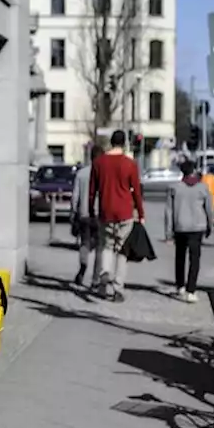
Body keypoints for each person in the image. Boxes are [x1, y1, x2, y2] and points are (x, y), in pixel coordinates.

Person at [87, 129, 145, 302]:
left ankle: (104, 278)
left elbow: (92, 191)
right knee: (121, 250)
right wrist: (140, 214)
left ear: (111, 142)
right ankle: (118, 288)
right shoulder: (130, 164)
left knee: (106, 246)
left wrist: (91, 211)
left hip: (105, 211)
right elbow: (136, 193)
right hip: (125, 213)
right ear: (124, 143)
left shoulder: (99, 163)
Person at [164, 160, 213, 303]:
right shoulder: (203, 188)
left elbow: (168, 211)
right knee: (195, 259)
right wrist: (210, 226)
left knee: (180, 257)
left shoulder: (174, 188)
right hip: (197, 227)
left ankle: (180, 286)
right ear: (193, 171)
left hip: (180, 227)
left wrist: (168, 232)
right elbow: (209, 209)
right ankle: (191, 290)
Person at [70, 144, 106, 287]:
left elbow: (75, 196)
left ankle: (83, 266)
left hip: (84, 214)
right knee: (99, 247)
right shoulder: (104, 174)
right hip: (99, 214)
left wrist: (73, 212)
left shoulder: (81, 173)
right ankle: (95, 279)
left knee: (84, 243)